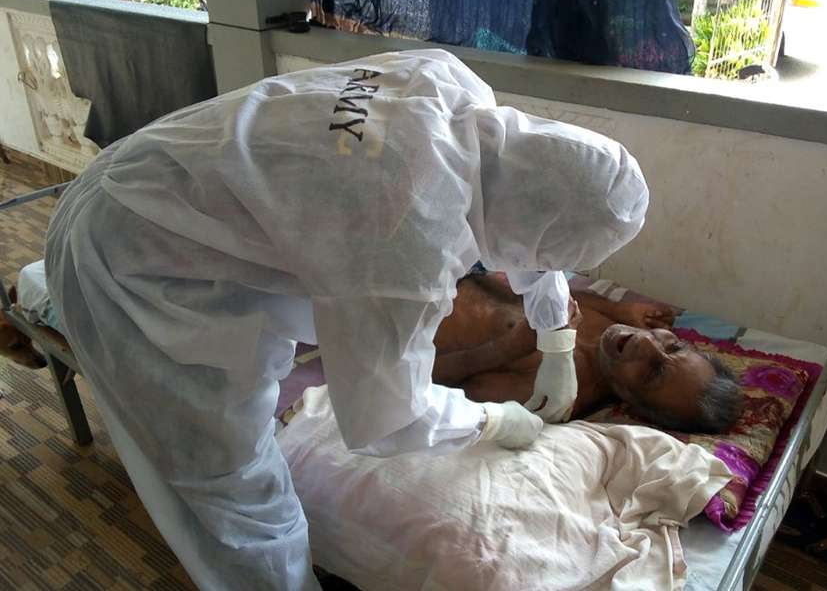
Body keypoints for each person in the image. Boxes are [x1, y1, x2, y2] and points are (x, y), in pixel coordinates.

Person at [43, 49, 649, 591]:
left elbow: (536, 214)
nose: (546, 268)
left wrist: (558, 339)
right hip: (135, 256)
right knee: (232, 484)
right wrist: (493, 421)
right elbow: (388, 422)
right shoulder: (408, 238)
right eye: (549, 256)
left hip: (157, 163)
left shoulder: (451, 83)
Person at [433, 272, 742, 433]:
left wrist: (505, 349)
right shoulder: (616, 334)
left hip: (400, 307)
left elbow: (426, 381)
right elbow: (559, 294)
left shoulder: (552, 389)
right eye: (672, 345)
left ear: (635, 404)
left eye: (654, 372)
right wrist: (618, 307)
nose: (647, 344)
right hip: (448, 258)